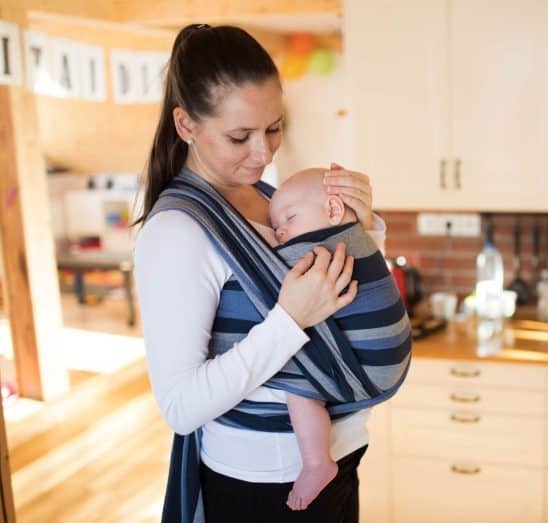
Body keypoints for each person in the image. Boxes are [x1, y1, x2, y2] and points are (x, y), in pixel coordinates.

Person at [133, 24, 406, 523]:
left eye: (274, 128)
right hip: (267, 484)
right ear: (186, 124)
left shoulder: (267, 198)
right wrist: (289, 320)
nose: (264, 153)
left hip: (339, 458)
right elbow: (181, 406)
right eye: (240, 136)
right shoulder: (179, 231)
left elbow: (339, 302)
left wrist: (362, 231)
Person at [268, 168, 408, 511]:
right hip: (390, 360)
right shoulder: (358, 239)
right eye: (275, 227)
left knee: (296, 385)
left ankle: (316, 461)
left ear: (332, 210)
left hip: (371, 367)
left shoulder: (315, 252)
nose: (281, 231)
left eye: (290, 218)